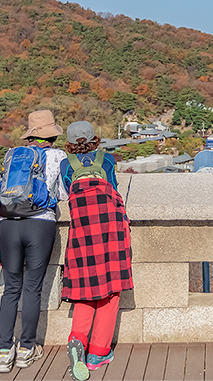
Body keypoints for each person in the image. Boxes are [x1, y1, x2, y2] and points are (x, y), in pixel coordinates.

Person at [0, 110, 67, 374]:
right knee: (32, 289)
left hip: (8, 224)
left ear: (31, 135)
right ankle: (26, 350)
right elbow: (62, 193)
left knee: (11, 289)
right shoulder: (58, 156)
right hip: (40, 224)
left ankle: (4, 352)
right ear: (52, 135)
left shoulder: (12, 155)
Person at [60, 121, 133, 381]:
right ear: (94, 139)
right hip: (110, 230)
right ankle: (98, 354)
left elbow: (65, 193)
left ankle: (77, 340)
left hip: (82, 232)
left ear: (69, 142)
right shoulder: (108, 160)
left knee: (84, 291)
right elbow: (113, 189)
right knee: (110, 291)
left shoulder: (65, 164)